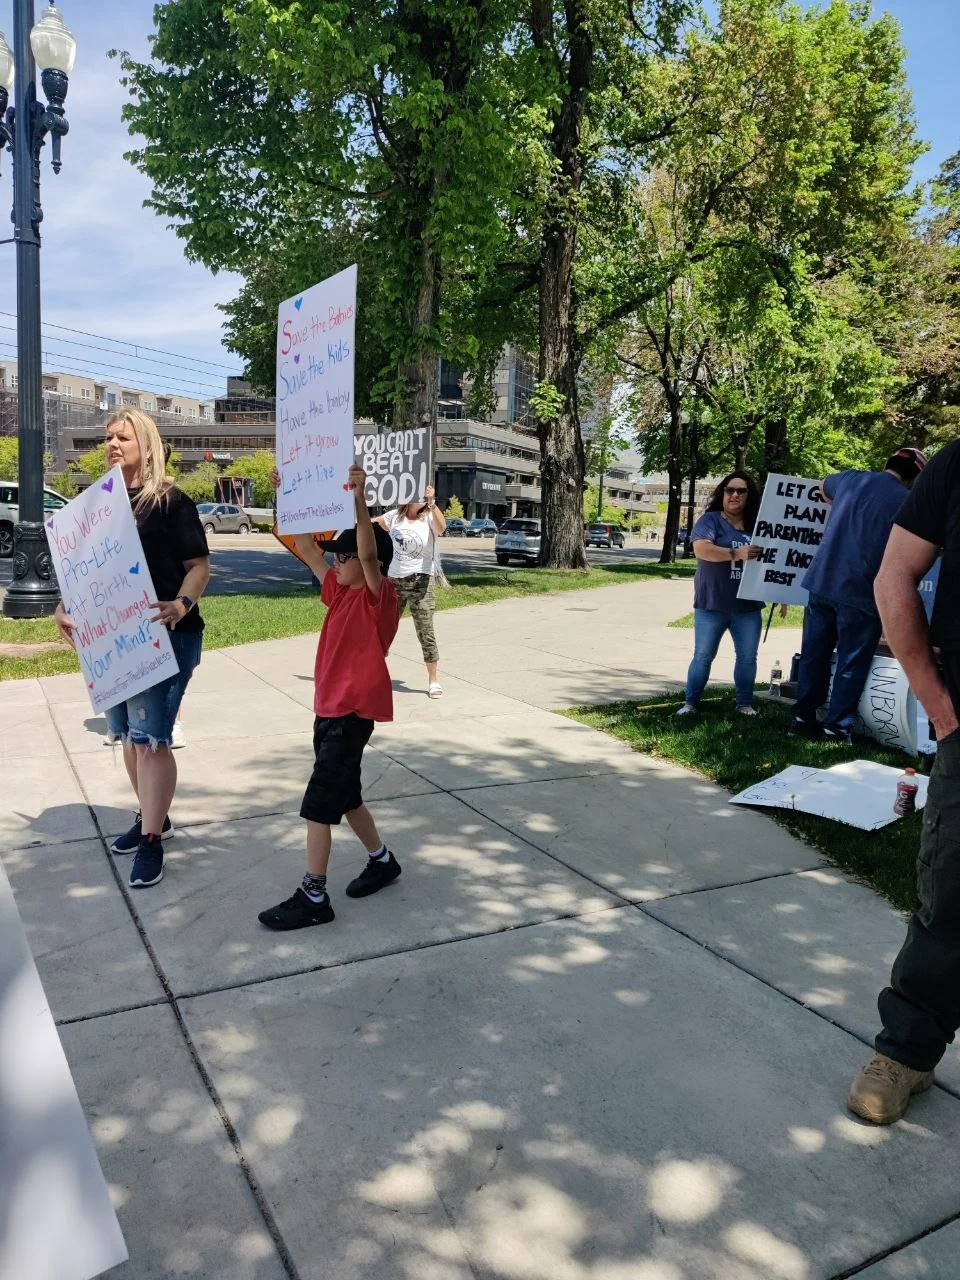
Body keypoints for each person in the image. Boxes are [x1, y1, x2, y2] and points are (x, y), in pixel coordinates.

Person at [848, 441, 960, 1124]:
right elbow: (894, 578)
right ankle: (907, 1053)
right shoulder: (955, 465)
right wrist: (941, 710)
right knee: (950, 898)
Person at [55, 409, 210, 889]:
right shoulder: (98, 505)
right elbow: (83, 570)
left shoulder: (170, 502)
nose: (113, 444)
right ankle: (152, 816)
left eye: (123, 436)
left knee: (152, 740)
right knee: (126, 736)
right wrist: (64, 607)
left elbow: (199, 566)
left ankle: (151, 843)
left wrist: (182, 604)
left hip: (166, 636)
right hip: (114, 641)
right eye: (108, 437)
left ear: (146, 441)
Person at [259, 465, 402, 931]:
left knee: (319, 801)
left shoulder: (378, 598)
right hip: (328, 712)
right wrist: (290, 498)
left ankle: (313, 894)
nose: (336, 562)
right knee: (346, 796)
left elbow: (366, 551)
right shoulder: (337, 592)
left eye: (343, 557)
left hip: (352, 713)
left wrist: (360, 501)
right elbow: (304, 546)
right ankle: (382, 861)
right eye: (336, 557)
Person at [789, 448, 927, 745]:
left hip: (822, 581)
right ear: (915, 477)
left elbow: (822, 484)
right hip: (862, 592)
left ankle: (802, 718)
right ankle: (836, 728)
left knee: (815, 654)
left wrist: (838, 502)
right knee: (851, 662)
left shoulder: (852, 480)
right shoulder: (909, 501)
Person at [676, 472, 763, 717]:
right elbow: (703, 550)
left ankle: (744, 704)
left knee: (747, 657)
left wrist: (778, 591)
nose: (734, 495)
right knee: (703, 655)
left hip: (748, 605)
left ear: (750, 495)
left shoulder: (759, 524)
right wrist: (738, 554)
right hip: (711, 603)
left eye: (741, 491)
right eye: (729, 490)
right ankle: (690, 703)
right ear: (722, 493)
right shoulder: (710, 520)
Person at [374, 486, 447, 697]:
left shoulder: (429, 517)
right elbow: (370, 524)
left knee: (426, 631)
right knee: (384, 629)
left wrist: (432, 503)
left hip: (422, 582)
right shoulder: (394, 517)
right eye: (419, 496)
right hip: (395, 581)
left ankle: (433, 680)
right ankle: (373, 673)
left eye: (424, 497)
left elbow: (441, 527)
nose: (421, 500)